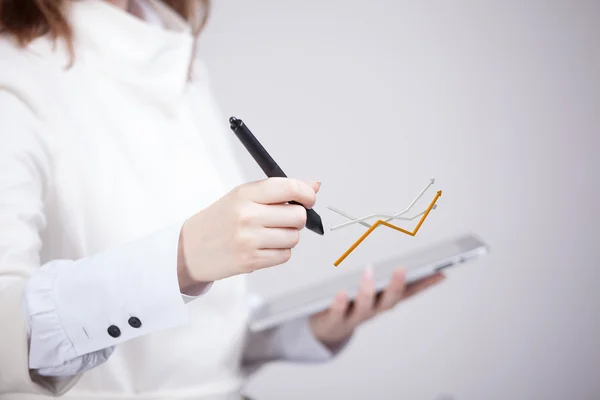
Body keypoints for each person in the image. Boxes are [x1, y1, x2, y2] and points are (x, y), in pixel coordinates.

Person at [0, 1, 445, 399]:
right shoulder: (15, 76)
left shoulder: (176, 56)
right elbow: (7, 341)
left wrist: (307, 330)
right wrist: (180, 259)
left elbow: (192, 338)